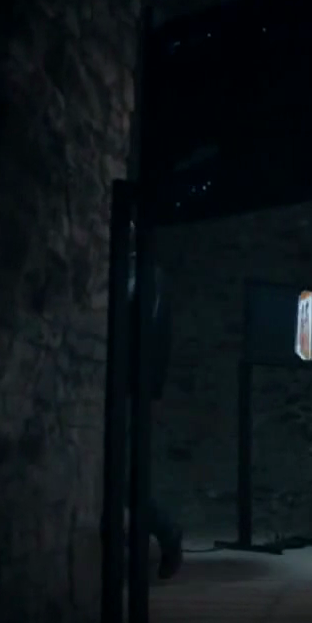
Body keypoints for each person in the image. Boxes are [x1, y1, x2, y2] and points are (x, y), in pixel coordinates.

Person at [127, 224, 185, 579]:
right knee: (120, 476)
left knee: (123, 477)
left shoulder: (148, 277)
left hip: (130, 387)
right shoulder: (138, 275)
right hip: (126, 385)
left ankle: (166, 531)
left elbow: (157, 336)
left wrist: (151, 389)